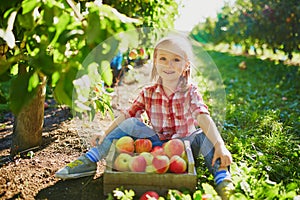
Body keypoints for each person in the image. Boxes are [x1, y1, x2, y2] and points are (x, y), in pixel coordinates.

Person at [55, 35, 234, 199]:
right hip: (156, 146)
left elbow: (202, 115)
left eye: (176, 60)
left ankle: (222, 178)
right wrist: (104, 132)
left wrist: (220, 145)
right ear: (155, 61)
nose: (168, 65)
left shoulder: (190, 91)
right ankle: (91, 159)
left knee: (203, 135)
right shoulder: (148, 92)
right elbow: (127, 115)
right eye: (163, 59)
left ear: (186, 65)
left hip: (185, 149)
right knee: (132, 122)